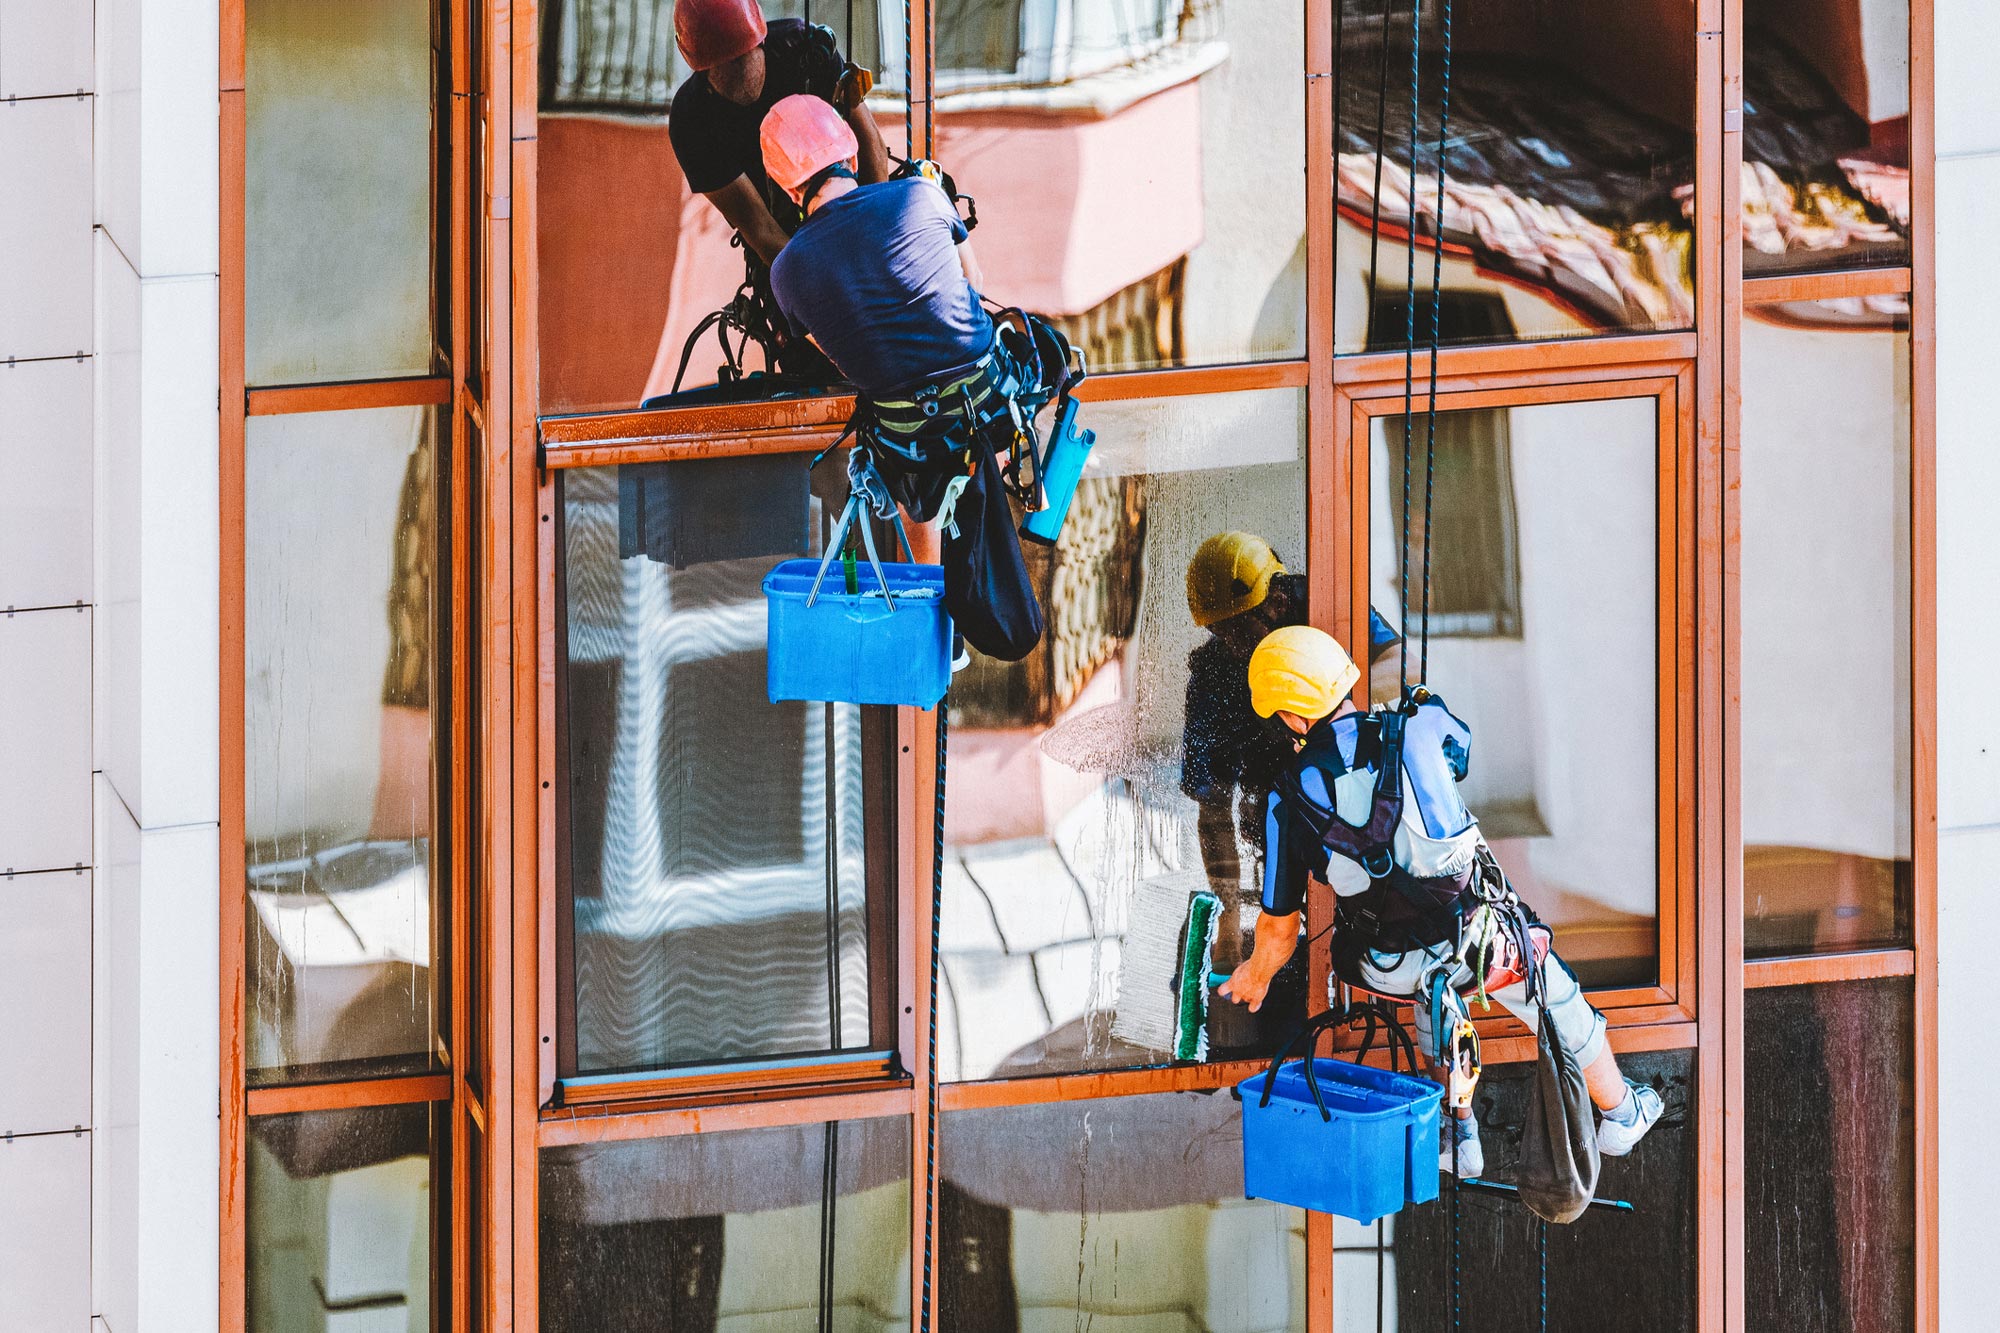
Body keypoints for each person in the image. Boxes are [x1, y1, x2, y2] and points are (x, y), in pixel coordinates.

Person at [1217, 625, 1663, 1179]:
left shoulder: (1288, 798)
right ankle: (1622, 1112)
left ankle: (1459, 1133)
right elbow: (1462, 753)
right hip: (1475, 941)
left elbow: (1279, 932)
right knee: (1547, 984)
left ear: (1289, 716)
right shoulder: (1421, 724)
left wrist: (1255, 977)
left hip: (1381, 967)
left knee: (1432, 980)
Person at [759, 93, 1065, 662]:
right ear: (849, 153)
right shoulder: (923, 194)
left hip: (910, 441)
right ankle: (1028, 487)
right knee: (1042, 352)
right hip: (990, 403)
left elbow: (838, 353)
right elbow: (974, 287)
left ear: (787, 188)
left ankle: (937, 619)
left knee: (904, 467)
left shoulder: (787, 270)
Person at [1179, 532, 1400, 967]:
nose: (1233, 645)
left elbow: (1402, 664)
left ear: (1278, 602)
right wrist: (1228, 923)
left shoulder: (1326, 605)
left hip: (1353, 803)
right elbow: (1213, 809)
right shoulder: (1214, 675)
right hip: (1273, 807)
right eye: (1219, 632)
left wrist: (1326, 707)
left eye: (1240, 629)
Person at [670, 0, 889, 265]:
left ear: (760, 42)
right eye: (720, 67)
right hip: (785, 235)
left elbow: (872, 146)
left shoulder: (803, 49)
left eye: (741, 58)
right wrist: (820, 284)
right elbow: (761, 229)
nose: (735, 74)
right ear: (702, 68)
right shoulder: (692, 121)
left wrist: (878, 238)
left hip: (851, 199)